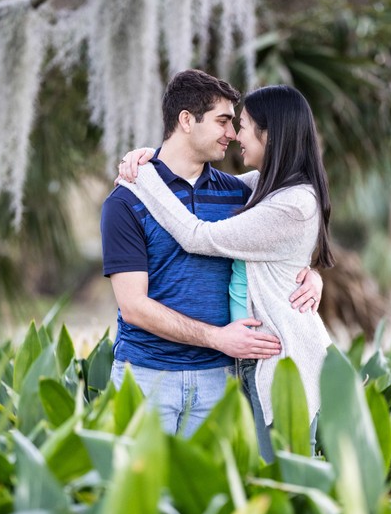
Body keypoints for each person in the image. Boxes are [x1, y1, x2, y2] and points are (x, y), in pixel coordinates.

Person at [101, 70, 322, 438]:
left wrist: (310, 273)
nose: (233, 134)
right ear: (186, 120)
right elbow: (133, 307)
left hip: (221, 381)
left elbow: (287, 226)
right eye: (223, 121)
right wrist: (216, 337)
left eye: (237, 124)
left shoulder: (239, 195)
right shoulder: (126, 200)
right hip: (146, 378)